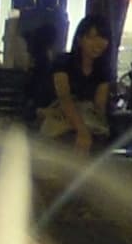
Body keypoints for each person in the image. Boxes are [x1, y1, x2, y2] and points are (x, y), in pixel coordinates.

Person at [40, 13, 114, 150]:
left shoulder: (103, 71)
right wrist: (81, 130)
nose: (97, 43)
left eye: (103, 38)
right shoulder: (63, 62)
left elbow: (99, 107)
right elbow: (64, 97)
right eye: (91, 37)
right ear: (80, 39)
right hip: (61, 121)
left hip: (88, 123)